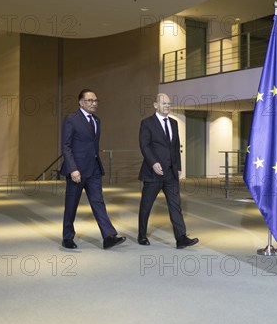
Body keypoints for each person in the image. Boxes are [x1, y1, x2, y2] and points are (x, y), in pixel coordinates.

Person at [60, 89, 126, 250]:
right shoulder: (71, 119)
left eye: (95, 100)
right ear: (81, 102)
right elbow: (66, 146)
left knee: (98, 202)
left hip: (94, 169)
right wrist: (73, 169)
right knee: (71, 205)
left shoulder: (97, 120)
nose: (94, 103)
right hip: (77, 171)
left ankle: (108, 237)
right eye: (90, 100)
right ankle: (67, 237)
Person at [138, 93, 198, 249]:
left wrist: (178, 168)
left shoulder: (173, 123)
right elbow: (144, 145)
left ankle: (181, 238)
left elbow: (175, 146)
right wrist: (153, 163)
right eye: (164, 103)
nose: (167, 106)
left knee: (175, 205)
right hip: (153, 173)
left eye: (169, 104)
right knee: (146, 205)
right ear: (155, 105)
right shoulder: (147, 123)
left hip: (171, 173)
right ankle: (142, 235)